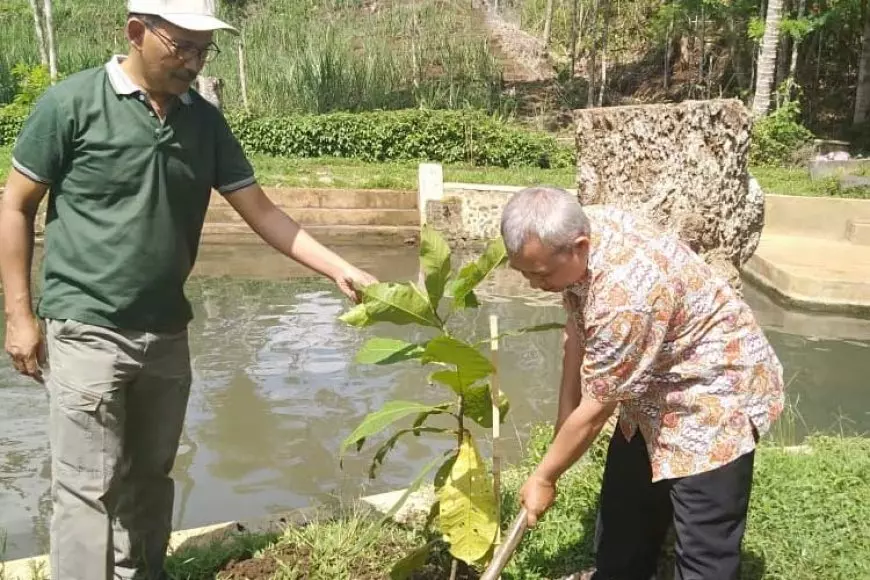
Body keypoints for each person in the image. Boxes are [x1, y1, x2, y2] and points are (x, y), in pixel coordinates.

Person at [0, 2, 377, 578]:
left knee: (151, 478)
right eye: (183, 47)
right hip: (85, 324)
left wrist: (338, 268)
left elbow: (263, 212)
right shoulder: (70, 105)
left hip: (166, 330)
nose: (194, 63)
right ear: (136, 33)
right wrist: (19, 316)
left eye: (204, 50)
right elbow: (15, 205)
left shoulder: (203, 121)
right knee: (86, 487)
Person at [501, 186, 785, 579]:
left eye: (541, 274)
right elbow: (576, 334)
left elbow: (598, 407)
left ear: (579, 246)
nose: (535, 284)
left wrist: (545, 476)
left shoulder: (625, 298)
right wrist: (561, 432)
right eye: (524, 273)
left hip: (714, 395)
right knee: (623, 525)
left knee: (705, 552)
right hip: (650, 386)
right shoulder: (579, 227)